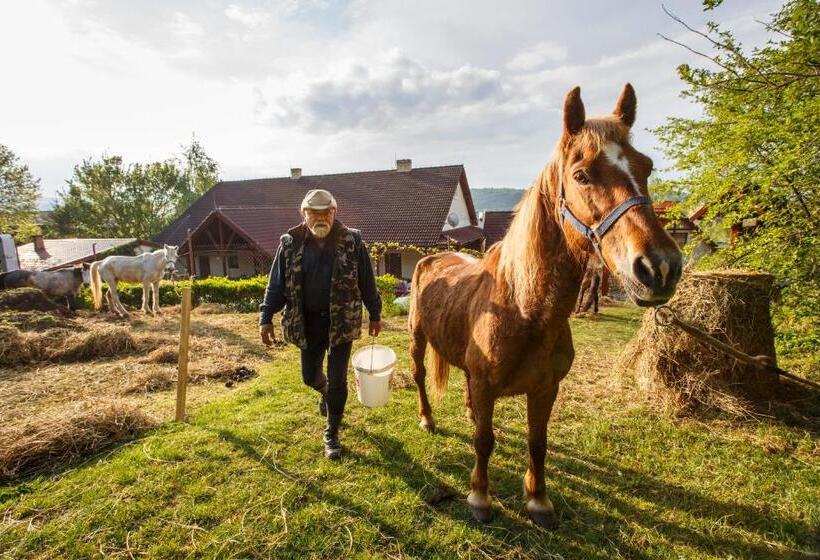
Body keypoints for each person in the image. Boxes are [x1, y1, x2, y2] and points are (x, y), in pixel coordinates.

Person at [259, 189, 382, 459]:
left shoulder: (352, 240)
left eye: (326, 212)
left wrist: (375, 313)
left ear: (334, 212)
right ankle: (325, 392)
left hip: (342, 322)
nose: (321, 217)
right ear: (304, 215)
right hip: (307, 323)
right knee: (309, 377)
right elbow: (276, 284)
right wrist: (265, 316)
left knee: (338, 379)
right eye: (314, 212)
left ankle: (332, 432)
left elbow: (367, 281)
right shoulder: (290, 243)